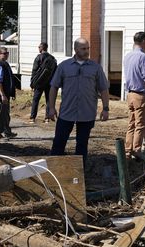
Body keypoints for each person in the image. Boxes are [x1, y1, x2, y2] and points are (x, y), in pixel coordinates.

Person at [49, 38, 109, 166]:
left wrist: (105, 108)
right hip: (67, 112)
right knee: (59, 142)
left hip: (86, 113)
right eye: (83, 48)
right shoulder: (64, 66)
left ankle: (79, 175)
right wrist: (51, 108)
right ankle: (54, 170)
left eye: (88, 48)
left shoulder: (96, 68)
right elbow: (53, 87)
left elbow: (103, 89)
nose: (87, 51)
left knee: (82, 145)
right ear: (76, 50)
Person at [123, 31, 145, 159]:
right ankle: (137, 150)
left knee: (131, 123)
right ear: (143, 41)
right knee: (140, 124)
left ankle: (127, 150)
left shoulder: (128, 56)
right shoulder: (143, 57)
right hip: (140, 94)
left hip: (130, 93)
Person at [0, 47, 17, 141]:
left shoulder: (5, 64)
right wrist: (2, 95)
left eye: (7, 53)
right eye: (4, 53)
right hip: (0, 95)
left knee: (5, 114)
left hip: (5, 94)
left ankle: (7, 132)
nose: (6, 54)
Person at [29, 42, 56, 123]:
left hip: (39, 82)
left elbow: (34, 70)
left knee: (36, 100)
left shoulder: (38, 58)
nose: (38, 48)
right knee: (48, 100)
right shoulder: (52, 58)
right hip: (49, 82)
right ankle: (47, 118)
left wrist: (32, 82)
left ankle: (33, 118)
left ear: (42, 48)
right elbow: (55, 71)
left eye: (39, 47)